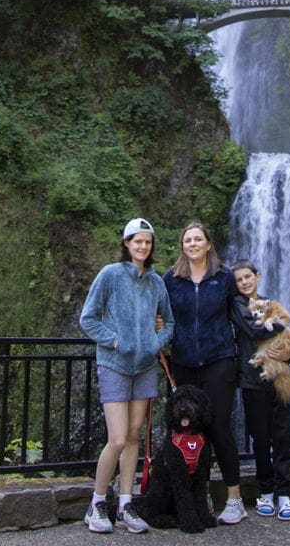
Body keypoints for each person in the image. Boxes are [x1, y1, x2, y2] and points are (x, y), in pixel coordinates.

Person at [80, 218, 175, 534]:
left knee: (134, 435)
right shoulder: (110, 275)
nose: (143, 246)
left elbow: (170, 324)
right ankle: (96, 502)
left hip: (145, 368)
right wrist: (116, 340)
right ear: (126, 243)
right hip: (114, 365)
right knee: (118, 438)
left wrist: (153, 343)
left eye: (147, 242)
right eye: (137, 241)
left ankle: (125, 503)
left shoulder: (156, 281)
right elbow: (88, 319)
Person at [162, 221, 246, 525]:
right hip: (183, 361)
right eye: (188, 240)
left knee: (219, 427)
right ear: (182, 245)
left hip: (219, 359)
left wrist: (274, 335)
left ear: (209, 244)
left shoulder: (224, 278)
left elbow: (244, 311)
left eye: (198, 239)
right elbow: (157, 311)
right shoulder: (171, 279)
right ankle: (202, 496)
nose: (193, 244)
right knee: (188, 431)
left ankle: (234, 498)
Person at [230, 259, 290, 522]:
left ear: (257, 276)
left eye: (248, 277)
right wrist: (281, 324)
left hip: (278, 376)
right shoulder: (237, 306)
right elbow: (254, 330)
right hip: (251, 380)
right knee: (260, 438)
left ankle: (284, 494)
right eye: (239, 280)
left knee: (282, 435)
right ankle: (265, 492)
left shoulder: (270, 303)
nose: (245, 282)